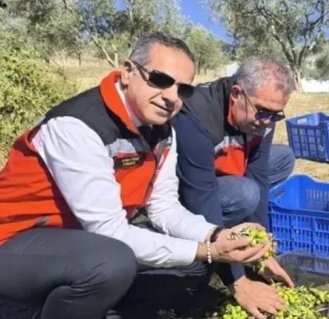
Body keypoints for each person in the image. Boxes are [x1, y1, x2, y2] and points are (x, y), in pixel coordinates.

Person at [0, 33, 272, 319]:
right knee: (110, 263)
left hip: (78, 241)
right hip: (14, 240)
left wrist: (216, 235)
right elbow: (109, 231)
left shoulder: (163, 131)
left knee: (193, 266)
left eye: (183, 89)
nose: (171, 97)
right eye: (160, 79)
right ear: (128, 72)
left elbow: (164, 208)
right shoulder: (78, 126)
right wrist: (208, 250)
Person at [171, 55, 297, 319]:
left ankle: (237, 223)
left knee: (283, 158)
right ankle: (228, 230)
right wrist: (237, 280)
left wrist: (261, 250)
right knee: (245, 193)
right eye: (262, 112)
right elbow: (201, 197)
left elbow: (260, 175)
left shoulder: (263, 118)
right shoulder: (195, 116)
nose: (267, 121)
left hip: (223, 172)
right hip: (186, 189)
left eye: (276, 115)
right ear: (237, 94)